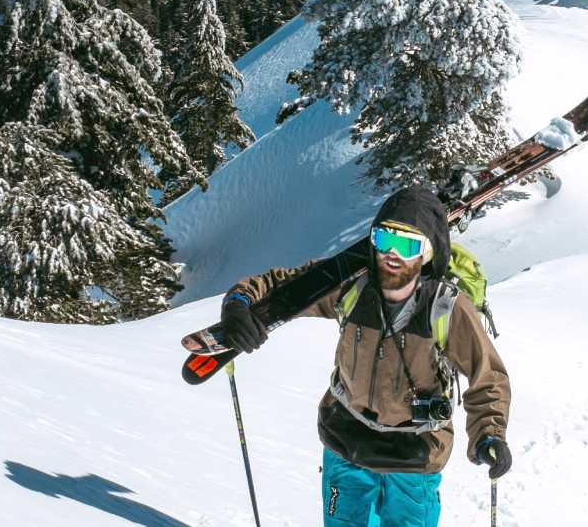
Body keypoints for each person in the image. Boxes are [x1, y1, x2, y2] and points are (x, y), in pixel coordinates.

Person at [218, 186, 512, 527]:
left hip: (414, 456)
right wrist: (239, 303)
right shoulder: (352, 287)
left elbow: (487, 376)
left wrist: (489, 434)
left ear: (427, 253)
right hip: (347, 442)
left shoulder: (446, 307)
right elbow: (285, 285)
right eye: (383, 239)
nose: (391, 253)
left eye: (406, 245)